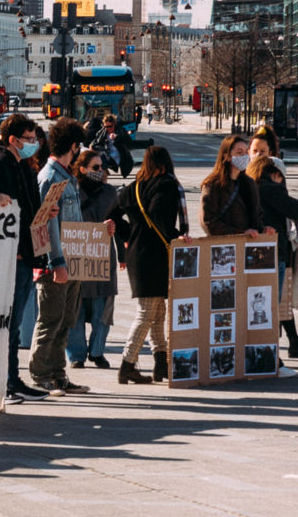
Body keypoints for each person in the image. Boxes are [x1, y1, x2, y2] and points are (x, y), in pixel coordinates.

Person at [114, 146, 185, 383]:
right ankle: (127, 364)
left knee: (157, 310)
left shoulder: (133, 187)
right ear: (166, 163)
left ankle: (160, 363)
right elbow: (158, 215)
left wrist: (130, 233)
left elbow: (111, 214)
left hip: (137, 253)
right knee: (147, 312)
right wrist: (177, 236)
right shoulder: (166, 184)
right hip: (154, 255)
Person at [0, 114, 50, 402]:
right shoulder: (0, 163)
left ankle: (13, 378)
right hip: (11, 253)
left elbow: (28, 205)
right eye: (28, 139)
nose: (33, 144)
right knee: (9, 322)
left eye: (35, 139)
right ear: (12, 140)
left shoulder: (24, 165)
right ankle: (5, 381)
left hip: (25, 251)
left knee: (14, 323)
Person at [31, 117, 88, 397]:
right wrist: (57, 262)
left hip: (72, 261)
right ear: (74, 146)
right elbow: (46, 224)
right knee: (51, 320)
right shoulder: (50, 177)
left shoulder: (66, 176)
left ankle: (57, 373)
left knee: (66, 320)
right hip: (58, 264)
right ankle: (41, 374)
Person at [66, 147, 119, 371]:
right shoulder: (71, 192)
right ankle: (76, 354)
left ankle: (97, 352)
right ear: (82, 169)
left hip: (103, 256)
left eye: (102, 167)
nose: (100, 170)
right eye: (95, 167)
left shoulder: (110, 192)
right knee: (75, 307)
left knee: (103, 307)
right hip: (77, 254)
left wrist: (114, 227)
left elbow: (120, 221)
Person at [248, 154, 298, 357]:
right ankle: (268, 355)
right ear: (276, 174)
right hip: (274, 251)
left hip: (254, 251)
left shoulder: (251, 186)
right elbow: (294, 208)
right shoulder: (270, 188)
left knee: (259, 304)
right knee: (270, 306)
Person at [201, 136, 266, 237]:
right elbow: (208, 221)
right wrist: (239, 233)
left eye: (246, 152)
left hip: (249, 245)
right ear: (226, 156)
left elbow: (258, 215)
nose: (244, 157)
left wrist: (264, 229)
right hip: (224, 246)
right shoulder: (213, 185)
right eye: (239, 152)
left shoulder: (249, 183)